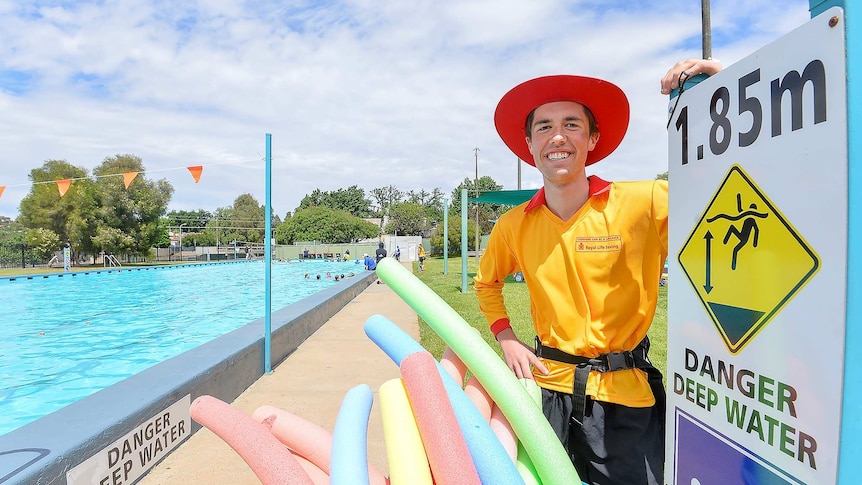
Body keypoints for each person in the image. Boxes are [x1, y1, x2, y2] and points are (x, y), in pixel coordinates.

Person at [474, 61, 721, 485]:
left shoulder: (643, 202)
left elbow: (720, 183)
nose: (557, 136)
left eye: (572, 124)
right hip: (547, 392)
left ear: (592, 138)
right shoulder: (514, 225)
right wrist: (506, 337)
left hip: (625, 396)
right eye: (544, 126)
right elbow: (487, 283)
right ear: (529, 144)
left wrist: (721, 90)